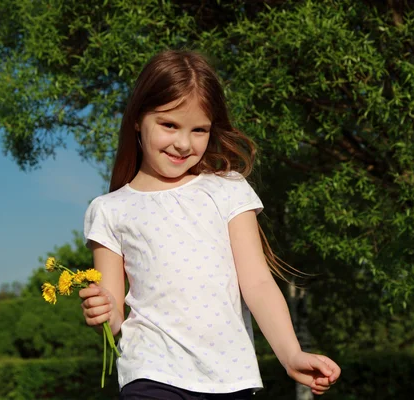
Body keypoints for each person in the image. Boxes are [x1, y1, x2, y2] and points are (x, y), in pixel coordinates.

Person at [79, 50, 340, 400]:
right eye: (169, 125)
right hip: (151, 374)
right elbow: (114, 317)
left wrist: (291, 354)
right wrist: (104, 312)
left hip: (230, 378)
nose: (183, 143)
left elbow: (259, 284)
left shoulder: (228, 189)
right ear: (138, 119)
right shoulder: (109, 210)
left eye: (199, 129)